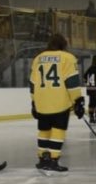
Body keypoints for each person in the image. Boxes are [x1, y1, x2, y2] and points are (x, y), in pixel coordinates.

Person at [30, 34, 82, 176]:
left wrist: (33, 101)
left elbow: (32, 83)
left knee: (44, 130)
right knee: (58, 130)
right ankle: (53, 159)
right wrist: (78, 100)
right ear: (63, 44)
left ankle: (42, 159)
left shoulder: (38, 58)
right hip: (60, 101)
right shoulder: (67, 58)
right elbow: (71, 82)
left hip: (41, 101)